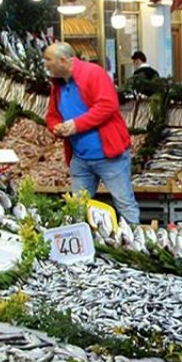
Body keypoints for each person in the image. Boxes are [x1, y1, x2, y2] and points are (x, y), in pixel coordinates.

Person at [43, 42, 141, 225]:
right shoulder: (57, 85)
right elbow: (52, 115)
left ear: (63, 60)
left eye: (48, 60)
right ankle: (81, 240)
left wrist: (76, 125)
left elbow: (108, 105)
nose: (46, 64)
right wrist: (56, 127)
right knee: (78, 208)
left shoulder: (93, 73)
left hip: (109, 157)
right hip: (80, 158)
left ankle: (135, 239)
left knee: (124, 203)